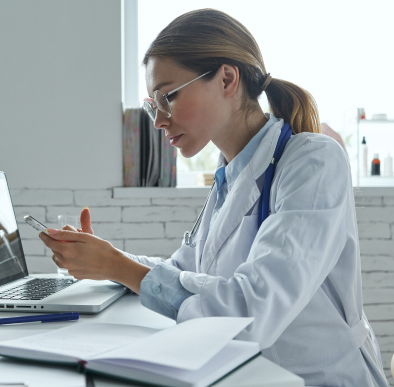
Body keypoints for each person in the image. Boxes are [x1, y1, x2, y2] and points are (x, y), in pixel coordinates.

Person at [39, 9, 388, 387]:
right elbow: (183, 271)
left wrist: (121, 267)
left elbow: (251, 309)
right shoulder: (230, 178)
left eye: (167, 97)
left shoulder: (313, 160)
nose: (158, 119)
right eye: (152, 104)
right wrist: (107, 260)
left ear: (226, 78)